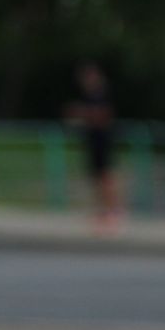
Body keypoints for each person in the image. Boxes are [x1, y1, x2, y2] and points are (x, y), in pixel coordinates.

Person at [65, 62, 122, 231]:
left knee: (106, 178)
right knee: (96, 178)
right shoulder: (88, 96)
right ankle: (102, 212)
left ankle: (113, 213)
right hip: (92, 141)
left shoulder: (102, 94)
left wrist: (82, 113)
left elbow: (104, 115)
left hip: (103, 140)